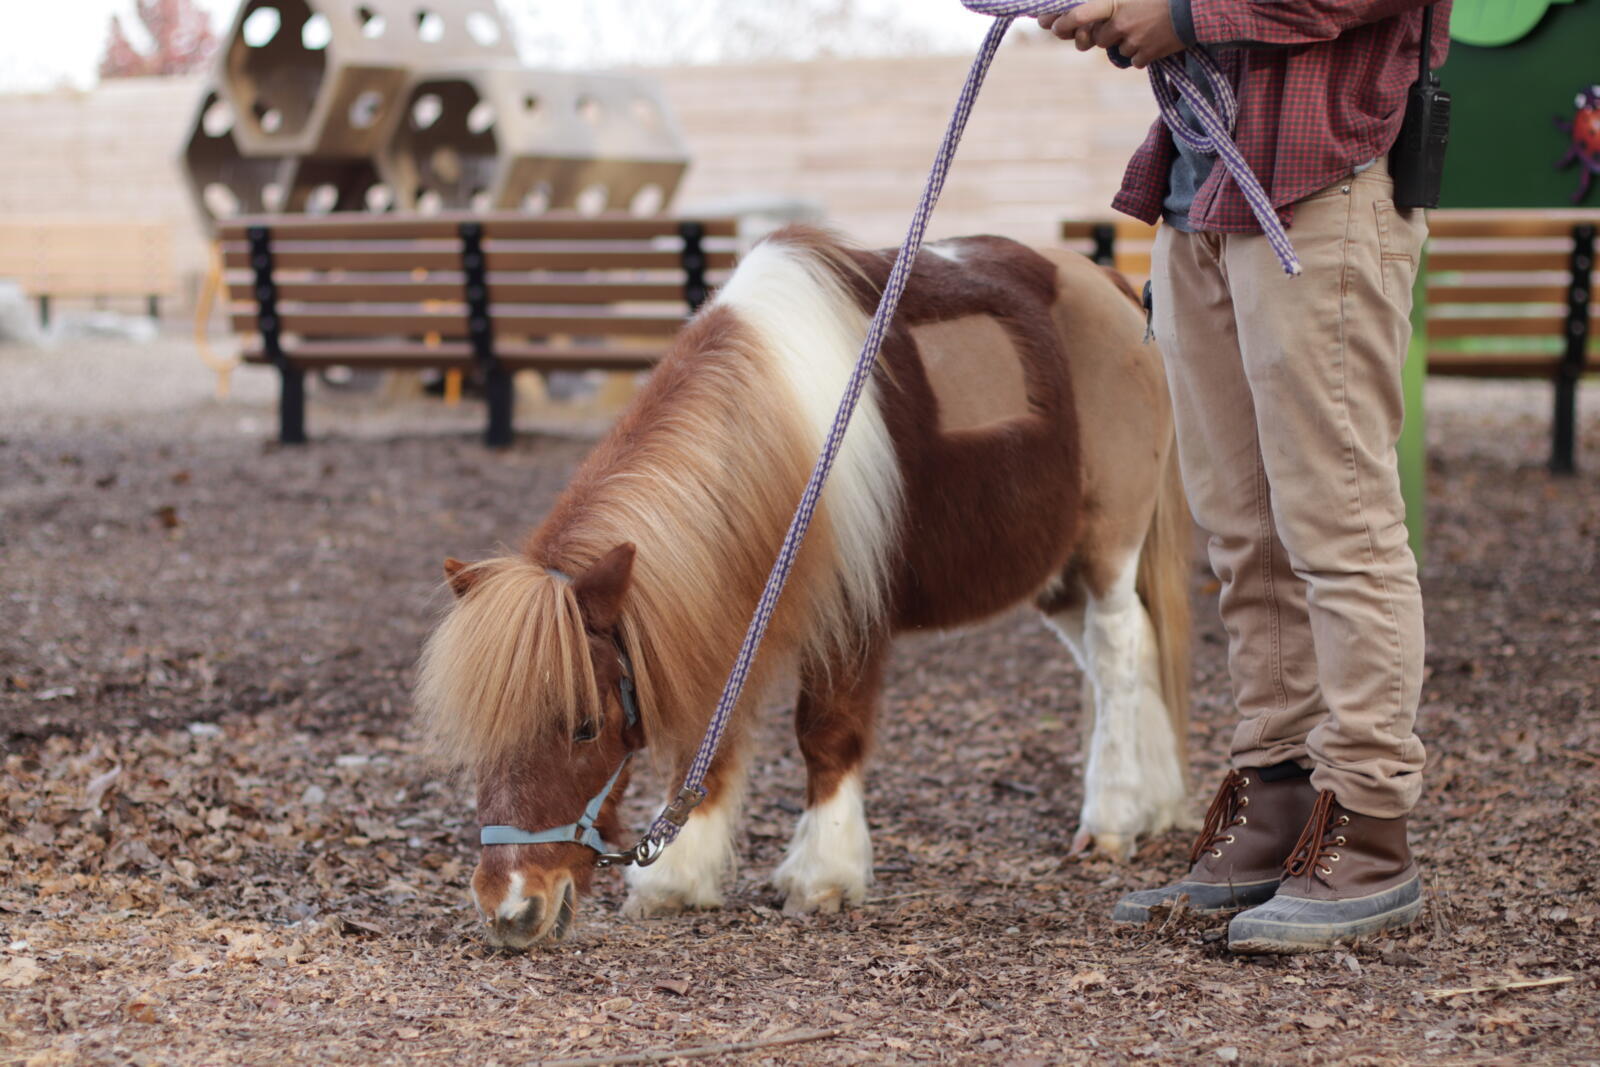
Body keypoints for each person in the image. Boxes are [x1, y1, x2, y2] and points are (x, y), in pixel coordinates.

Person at [1038, 0, 1451, 953]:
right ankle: (1278, 797)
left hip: (1325, 185)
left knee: (1336, 519)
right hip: (1202, 197)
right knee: (1242, 530)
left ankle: (1372, 830)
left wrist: (1179, 14)